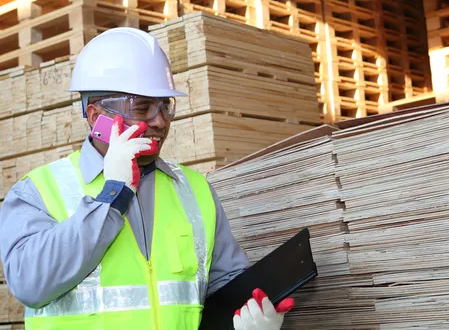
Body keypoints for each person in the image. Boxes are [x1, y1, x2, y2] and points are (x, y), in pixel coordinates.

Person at [0, 27, 294, 329]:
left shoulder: (195, 190)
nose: (160, 121)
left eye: (165, 105)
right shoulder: (36, 192)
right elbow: (29, 284)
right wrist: (112, 196)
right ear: (95, 117)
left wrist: (250, 314)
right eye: (143, 108)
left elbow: (224, 284)